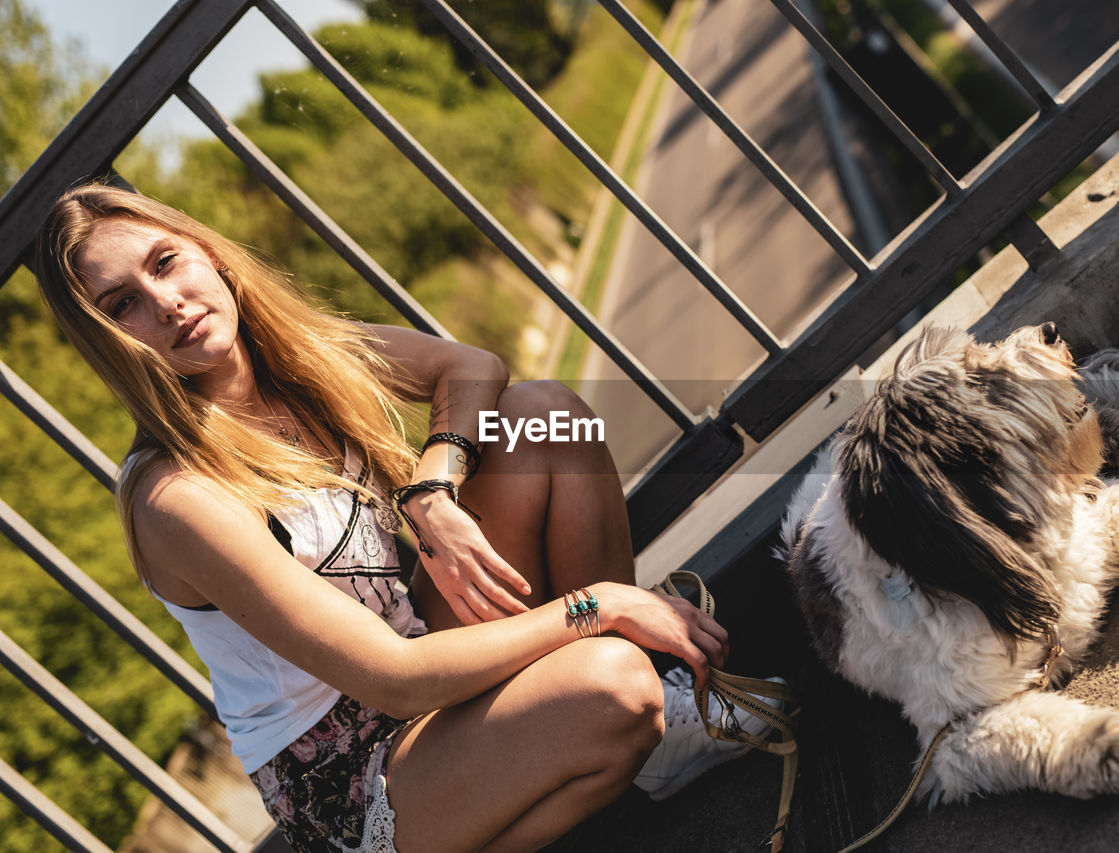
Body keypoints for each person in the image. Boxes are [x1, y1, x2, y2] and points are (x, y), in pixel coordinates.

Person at [35, 183, 778, 853]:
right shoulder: (175, 497)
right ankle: (611, 708)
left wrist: (432, 490)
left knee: (546, 417)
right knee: (615, 683)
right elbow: (394, 680)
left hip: (423, 652)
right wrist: (602, 608)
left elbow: (476, 367)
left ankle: (644, 733)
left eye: (166, 263)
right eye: (121, 304)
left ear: (212, 256)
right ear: (108, 346)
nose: (164, 302)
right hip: (356, 773)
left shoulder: (294, 364)